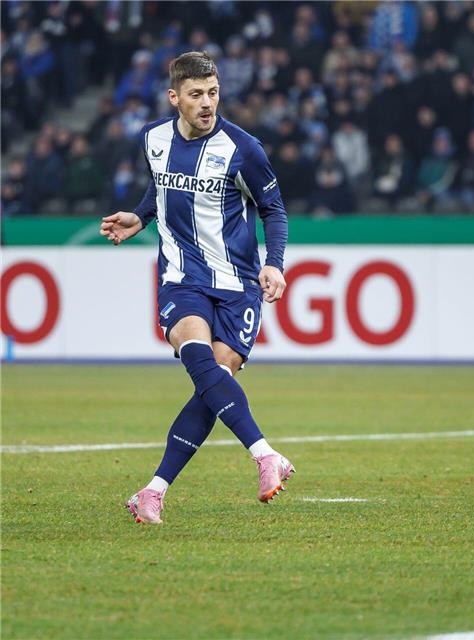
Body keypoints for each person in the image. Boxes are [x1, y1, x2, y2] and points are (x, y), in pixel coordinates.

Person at [100, 51, 295, 525]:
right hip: (181, 279)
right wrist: (139, 217)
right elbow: (160, 188)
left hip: (238, 285)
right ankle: (265, 454)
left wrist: (274, 264)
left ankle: (152, 490)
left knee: (214, 384)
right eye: (196, 94)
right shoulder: (153, 139)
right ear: (175, 97)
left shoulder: (243, 148)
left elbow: (273, 209)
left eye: (213, 93)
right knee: (200, 359)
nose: (207, 103)